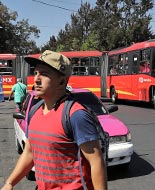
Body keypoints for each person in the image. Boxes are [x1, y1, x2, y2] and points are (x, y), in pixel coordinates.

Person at [1, 50, 107, 190]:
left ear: (62, 81)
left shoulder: (76, 115)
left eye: (44, 74)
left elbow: (96, 162)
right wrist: (10, 183)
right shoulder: (34, 112)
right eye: (36, 73)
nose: (36, 79)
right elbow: (29, 153)